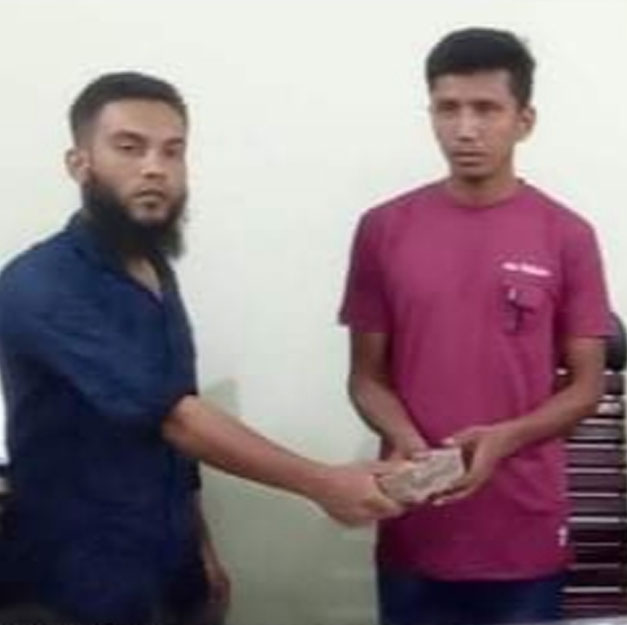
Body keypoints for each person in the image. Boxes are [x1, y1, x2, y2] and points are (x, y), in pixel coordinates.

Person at [0, 71, 402, 625]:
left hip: (170, 570)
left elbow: (173, 433)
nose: (155, 168)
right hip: (76, 583)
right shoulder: (38, 283)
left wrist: (201, 546)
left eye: (173, 151)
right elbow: (175, 418)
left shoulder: (152, 270)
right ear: (79, 163)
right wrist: (323, 483)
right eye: (130, 148)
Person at [338, 28, 612, 625]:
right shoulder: (383, 229)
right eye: (448, 109)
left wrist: (505, 438)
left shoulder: (567, 236)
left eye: (486, 109)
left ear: (524, 120)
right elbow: (366, 378)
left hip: (524, 530)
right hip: (416, 524)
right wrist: (408, 442)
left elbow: (587, 386)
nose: (465, 130)